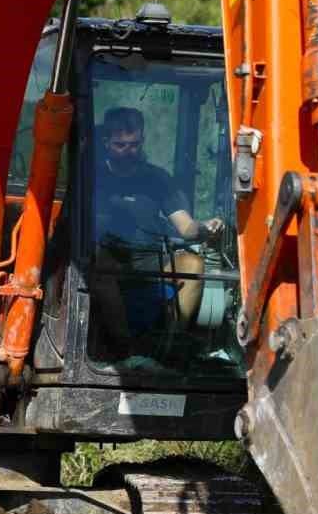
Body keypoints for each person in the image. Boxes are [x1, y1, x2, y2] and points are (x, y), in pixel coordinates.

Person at [89, 106, 224, 343]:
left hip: (151, 258)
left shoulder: (157, 178)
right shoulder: (92, 176)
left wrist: (205, 228)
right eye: (121, 145)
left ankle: (171, 343)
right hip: (108, 256)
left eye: (134, 145)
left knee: (192, 265)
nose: (128, 152)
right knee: (99, 265)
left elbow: (186, 228)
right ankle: (124, 346)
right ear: (106, 142)